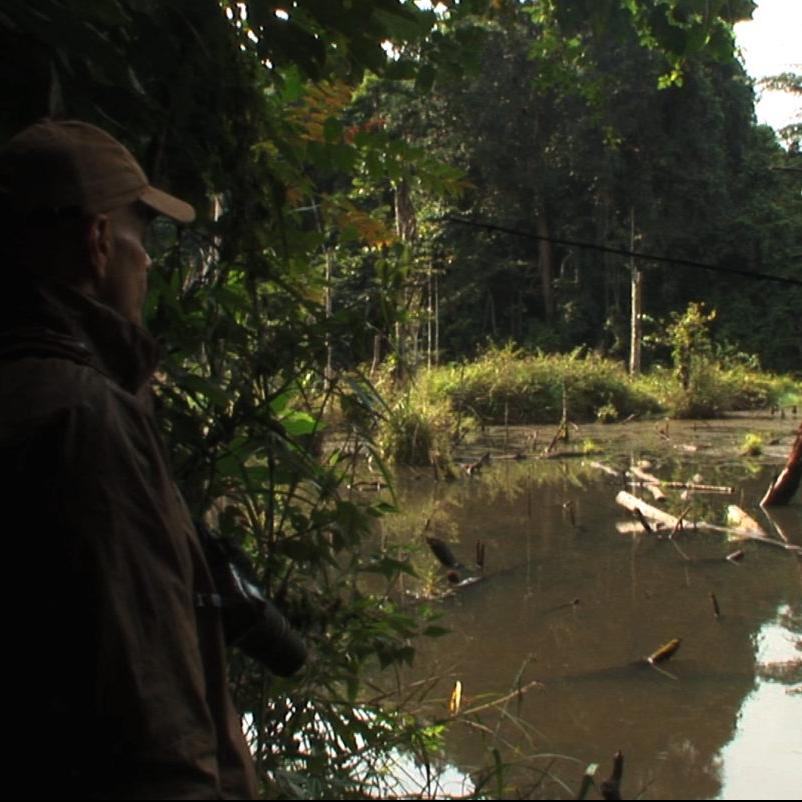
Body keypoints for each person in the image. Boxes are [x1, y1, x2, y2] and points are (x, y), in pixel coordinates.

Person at [0, 120, 258, 799]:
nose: (147, 261)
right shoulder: (84, 418)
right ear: (97, 242)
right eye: (140, 238)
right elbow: (156, 724)